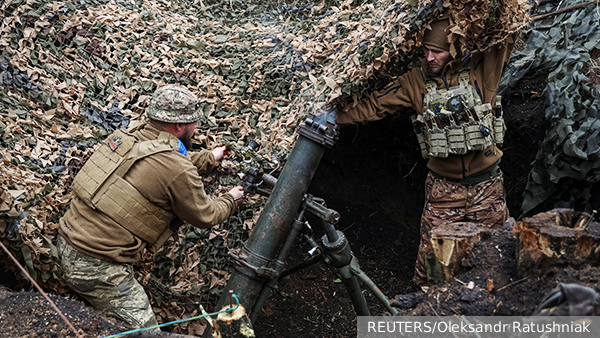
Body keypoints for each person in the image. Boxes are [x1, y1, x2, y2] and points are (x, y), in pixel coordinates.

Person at [336, 17, 513, 285]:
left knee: (497, 260)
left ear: (454, 49)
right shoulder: (414, 82)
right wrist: (329, 116)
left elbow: (506, 30)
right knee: (431, 269)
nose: (430, 58)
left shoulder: (483, 70)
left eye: (438, 51)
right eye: (426, 50)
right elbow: (373, 106)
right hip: (444, 192)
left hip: (487, 190)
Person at [56, 85, 245, 329]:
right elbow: (205, 215)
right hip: (98, 269)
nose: (196, 128)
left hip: (66, 240)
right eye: (193, 123)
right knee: (148, 333)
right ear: (179, 126)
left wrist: (210, 157)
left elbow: (160, 164)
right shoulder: (177, 169)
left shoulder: (128, 135)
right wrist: (231, 199)